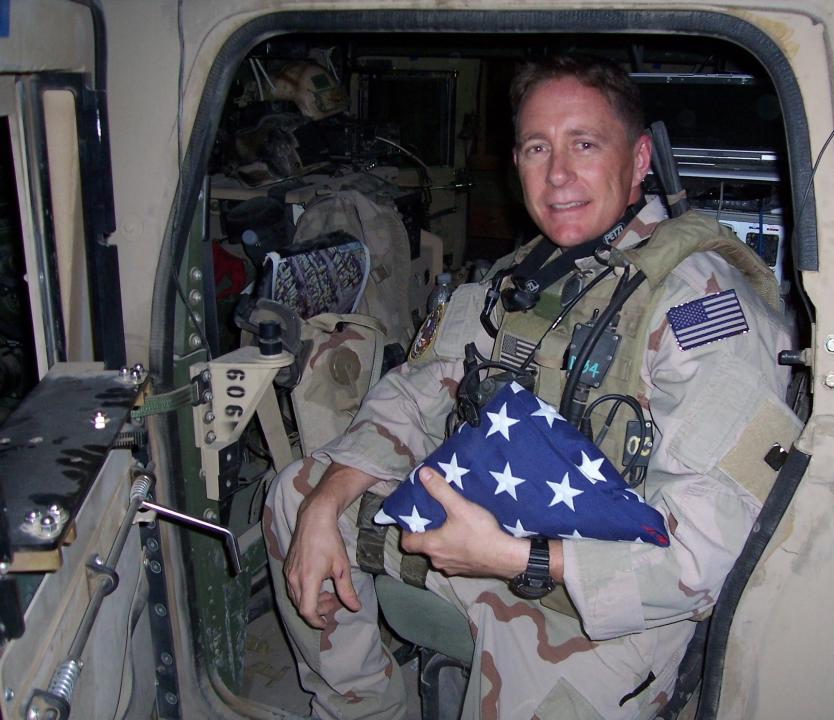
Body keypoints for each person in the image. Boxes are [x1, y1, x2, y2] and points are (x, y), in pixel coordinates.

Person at [264, 55, 801, 719]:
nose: (559, 174)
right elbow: (420, 390)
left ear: (637, 161)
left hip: (608, 596)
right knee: (297, 495)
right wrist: (328, 501)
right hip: (485, 530)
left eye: (584, 144)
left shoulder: (703, 311)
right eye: (537, 148)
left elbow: (704, 559)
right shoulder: (522, 276)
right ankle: (360, 707)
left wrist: (516, 557)